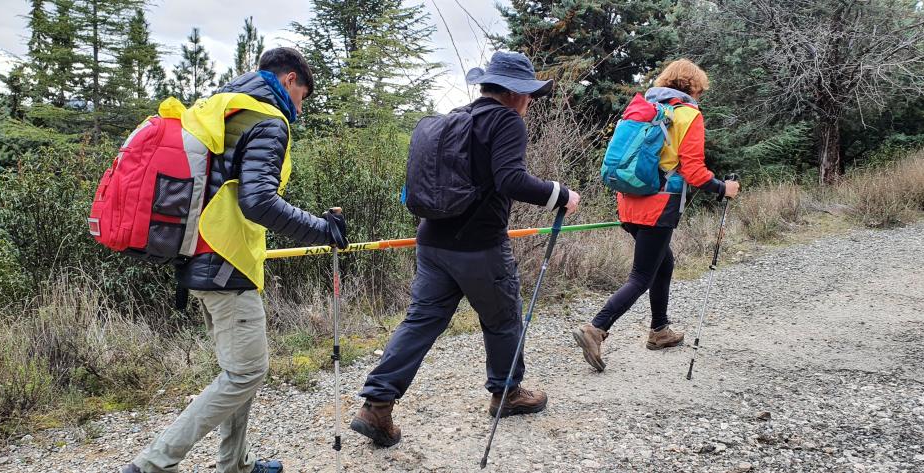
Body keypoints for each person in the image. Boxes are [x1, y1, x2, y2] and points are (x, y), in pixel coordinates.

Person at [121, 47, 348, 473]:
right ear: (289, 81)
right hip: (226, 262)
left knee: (238, 372)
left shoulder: (222, 108)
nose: (300, 107)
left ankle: (236, 465)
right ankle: (152, 464)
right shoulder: (267, 119)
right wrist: (321, 229)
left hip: (200, 257)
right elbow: (258, 201)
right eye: (303, 96)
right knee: (245, 374)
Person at [349, 51, 581, 447]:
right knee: (503, 318)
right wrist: (560, 195)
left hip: (432, 242)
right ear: (514, 93)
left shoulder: (454, 118)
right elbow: (512, 180)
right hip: (479, 247)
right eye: (528, 95)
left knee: (421, 321)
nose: (529, 103)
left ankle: (377, 404)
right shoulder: (506, 120)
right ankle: (506, 393)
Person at [572, 59, 740, 372]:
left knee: (665, 262)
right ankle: (596, 329)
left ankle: (659, 330)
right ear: (692, 87)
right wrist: (723, 188)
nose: (700, 95)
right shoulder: (688, 114)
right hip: (658, 206)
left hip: (627, 202)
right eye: (699, 90)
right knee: (641, 276)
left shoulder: (644, 108)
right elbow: (694, 171)